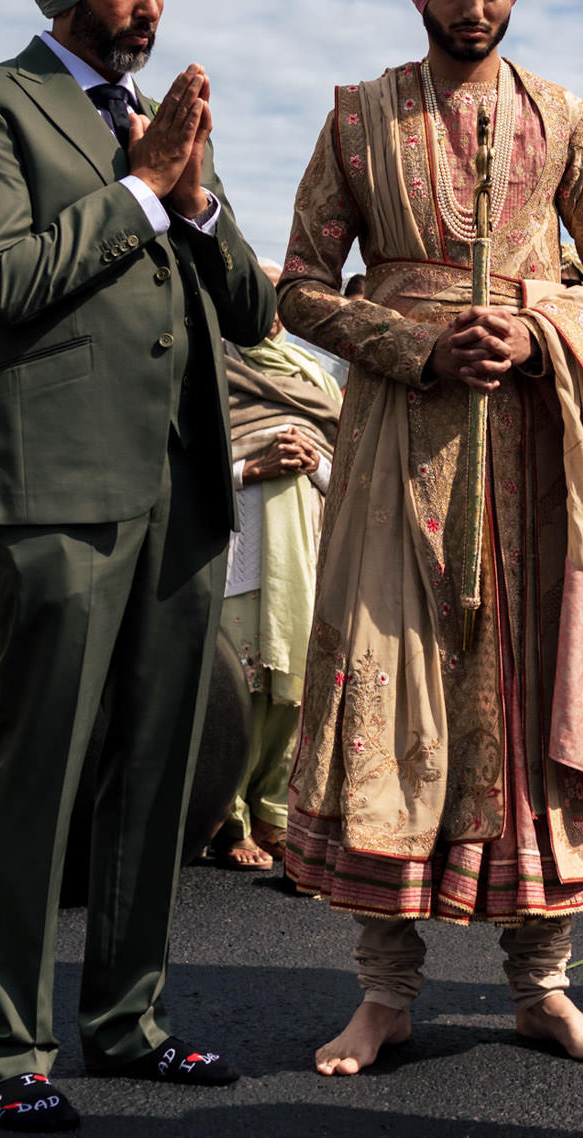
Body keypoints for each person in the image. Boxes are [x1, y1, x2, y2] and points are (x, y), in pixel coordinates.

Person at [278, 0, 583, 1077]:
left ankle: (543, 982)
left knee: (536, 686)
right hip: (401, 448)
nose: (474, 4)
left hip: (539, 454)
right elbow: (296, 284)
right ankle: (384, 991)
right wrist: (408, 345)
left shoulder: (563, 119)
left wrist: (542, 321)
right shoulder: (357, 118)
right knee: (389, 692)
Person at [0, 0, 274, 1130]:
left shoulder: (167, 126)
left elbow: (249, 310)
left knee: (158, 766)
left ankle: (129, 1020)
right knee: (44, 766)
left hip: (182, 484)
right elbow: (9, 279)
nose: (149, 7)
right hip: (60, 485)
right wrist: (136, 187)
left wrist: (196, 199)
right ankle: (11, 1050)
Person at [213, 260, 340, 871]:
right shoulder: (208, 370)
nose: (264, 309)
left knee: (293, 692)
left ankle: (275, 814)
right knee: (237, 689)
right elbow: (178, 470)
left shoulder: (318, 376)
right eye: (250, 296)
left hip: (305, 556)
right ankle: (227, 815)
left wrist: (313, 461)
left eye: (272, 297)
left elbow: (355, 476)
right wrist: (250, 468)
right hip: (237, 556)